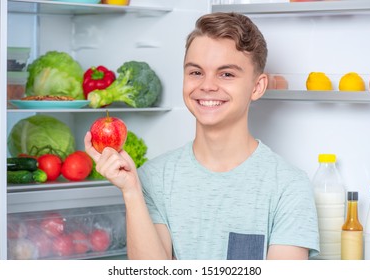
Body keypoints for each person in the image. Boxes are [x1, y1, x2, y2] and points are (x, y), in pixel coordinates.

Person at [84, 12, 319, 260]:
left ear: (257, 87)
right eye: (196, 72)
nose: (207, 85)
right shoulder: (153, 179)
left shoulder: (289, 187)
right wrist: (131, 191)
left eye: (226, 74)